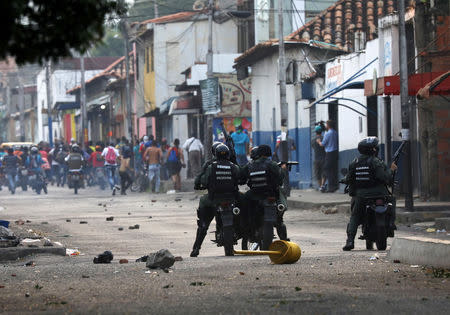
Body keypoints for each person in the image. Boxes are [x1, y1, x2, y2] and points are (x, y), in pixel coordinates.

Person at [342, 137, 397, 251]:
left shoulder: (354, 162)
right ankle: (391, 224)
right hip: (380, 194)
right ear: (373, 150)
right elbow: (385, 178)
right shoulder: (376, 162)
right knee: (392, 202)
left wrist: (345, 181)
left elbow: (349, 179)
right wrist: (391, 170)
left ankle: (350, 241)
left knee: (355, 216)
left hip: (361, 197)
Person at [190, 144, 241, 257]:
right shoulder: (233, 166)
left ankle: (196, 248)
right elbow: (241, 177)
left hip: (213, 199)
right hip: (230, 199)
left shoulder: (210, 165)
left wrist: (200, 185)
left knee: (203, 225)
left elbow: (201, 179)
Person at [241, 145, 288, 243]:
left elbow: (241, 177)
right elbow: (280, 180)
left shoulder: (250, 165)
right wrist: (283, 169)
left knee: (243, 205)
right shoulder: (272, 164)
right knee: (279, 218)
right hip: (270, 195)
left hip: (254, 195)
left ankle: (247, 228)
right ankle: (284, 240)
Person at [317, 120, 339, 192]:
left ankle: (331, 187)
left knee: (327, 169)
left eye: (326, 125)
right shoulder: (335, 132)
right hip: (335, 152)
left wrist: (319, 142)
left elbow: (323, 144)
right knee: (333, 169)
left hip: (329, 153)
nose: (325, 126)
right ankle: (334, 186)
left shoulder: (328, 134)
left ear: (328, 125)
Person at [311, 125, 326, 191]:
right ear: (321, 131)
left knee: (318, 173)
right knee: (324, 172)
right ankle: (323, 185)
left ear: (316, 132)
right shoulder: (324, 138)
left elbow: (313, 147)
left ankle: (320, 186)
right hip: (324, 158)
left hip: (316, 159)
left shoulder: (313, 140)